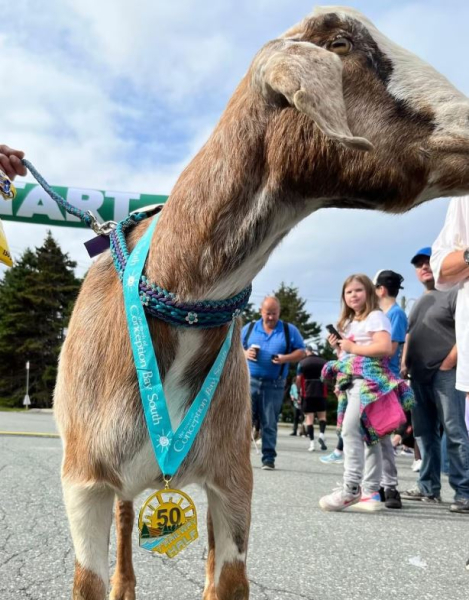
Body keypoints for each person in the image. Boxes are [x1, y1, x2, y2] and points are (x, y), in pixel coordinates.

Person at [319, 274, 412, 512]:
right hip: (352, 381)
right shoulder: (351, 322)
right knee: (372, 436)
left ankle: (351, 488)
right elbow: (351, 355)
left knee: (351, 431)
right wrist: (340, 348)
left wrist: (351, 347)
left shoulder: (375, 316)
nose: (353, 295)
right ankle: (371, 493)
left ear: (369, 292)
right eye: (348, 292)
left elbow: (384, 348)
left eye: (358, 290)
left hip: (368, 382)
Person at [401, 247, 469, 511]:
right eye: (418, 264)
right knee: (424, 435)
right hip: (417, 378)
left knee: (454, 432)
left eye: (428, 261)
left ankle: (464, 492)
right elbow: (410, 334)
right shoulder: (420, 300)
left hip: (444, 375)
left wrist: (449, 362)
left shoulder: (455, 293)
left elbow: (465, 332)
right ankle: (428, 488)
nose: (423, 267)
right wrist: (404, 363)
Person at [361, 269, 408, 510]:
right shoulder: (377, 314)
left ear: (380, 289)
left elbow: (390, 349)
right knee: (371, 436)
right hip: (370, 377)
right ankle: (375, 483)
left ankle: (390, 485)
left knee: (383, 436)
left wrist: (361, 348)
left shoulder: (396, 313)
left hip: (384, 380)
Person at [242, 296, 305, 470]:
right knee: (243, 421)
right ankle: (239, 458)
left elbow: (302, 352)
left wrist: (285, 358)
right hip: (249, 381)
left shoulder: (288, 330)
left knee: (269, 422)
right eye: (268, 313)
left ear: (279, 312)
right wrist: (245, 354)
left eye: (274, 313)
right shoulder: (249, 328)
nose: (271, 317)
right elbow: (235, 348)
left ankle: (268, 458)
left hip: (274, 384)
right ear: (261, 312)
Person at [296, 344, 327, 451]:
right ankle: (322, 435)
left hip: (307, 393)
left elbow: (299, 379)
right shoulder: (324, 362)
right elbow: (328, 377)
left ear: (308, 351)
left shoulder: (302, 363)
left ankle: (312, 443)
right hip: (321, 392)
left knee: (309, 419)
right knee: (322, 416)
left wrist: (298, 390)